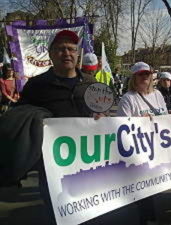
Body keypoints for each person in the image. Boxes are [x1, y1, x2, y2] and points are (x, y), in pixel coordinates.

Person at [17, 29, 98, 223]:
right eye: (61, 49)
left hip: (88, 163)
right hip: (53, 167)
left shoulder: (90, 83)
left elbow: (102, 114)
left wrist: (101, 117)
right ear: (51, 53)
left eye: (71, 48)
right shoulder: (36, 86)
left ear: (77, 53)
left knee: (89, 211)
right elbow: (21, 118)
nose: (67, 53)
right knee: (58, 214)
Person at [117, 62, 168, 225]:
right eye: (141, 74)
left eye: (148, 74)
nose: (145, 77)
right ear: (134, 77)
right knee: (145, 190)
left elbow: (165, 118)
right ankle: (147, 218)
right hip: (139, 151)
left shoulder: (158, 95)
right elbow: (122, 127)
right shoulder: (128, 99)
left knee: (154, 188)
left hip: (158, 147)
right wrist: (140, 122)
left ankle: (148, 215)